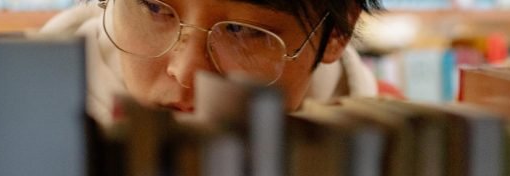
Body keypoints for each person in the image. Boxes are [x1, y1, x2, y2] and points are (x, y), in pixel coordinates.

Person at [42, 0, 384, 125]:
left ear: (338, 32)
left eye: (240, 30)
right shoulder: (4, 135)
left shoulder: (396, 163)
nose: (185, 71)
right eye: (155, 8)